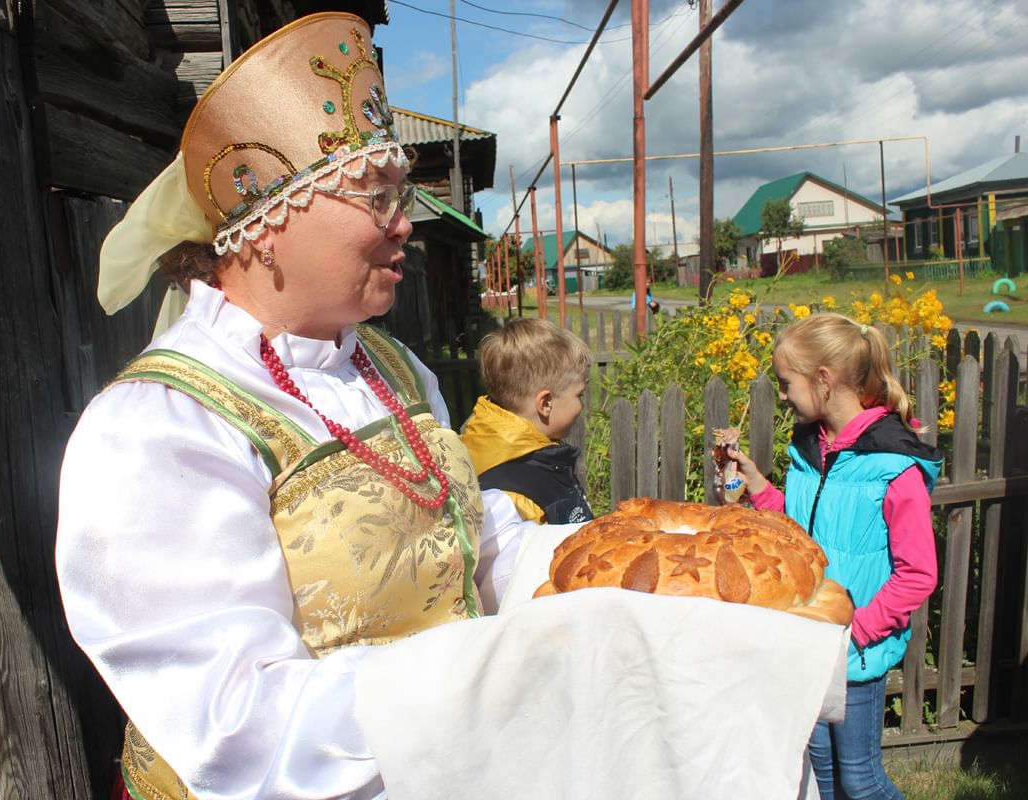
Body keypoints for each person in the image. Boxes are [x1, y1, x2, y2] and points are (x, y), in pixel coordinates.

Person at [55, 13, 849, 800]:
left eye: (403, 194)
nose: (407, 225)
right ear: (265, 226)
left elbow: (474, 544)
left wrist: (646, 567)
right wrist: (513, 672)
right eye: (378, 197)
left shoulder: (391, 368)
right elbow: (235, 725)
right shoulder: (157, 429)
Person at [726, 313, 942, 800]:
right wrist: (757, 485)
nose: (782, 396)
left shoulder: (893, 466)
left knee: (861, 783)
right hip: (809, 641)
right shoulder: (811, 449)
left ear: (823, 380)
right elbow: (805, 533)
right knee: (822, 779)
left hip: (855, 652)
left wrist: (858, 633)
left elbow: (918, 574)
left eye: (786, 384)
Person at [460, 317, 594, 525]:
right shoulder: (513, 499)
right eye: (579, 395)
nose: (581, 406)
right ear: (545, 403)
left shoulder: (538, 453)